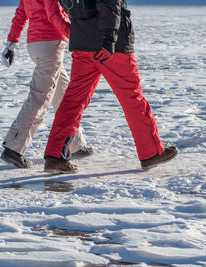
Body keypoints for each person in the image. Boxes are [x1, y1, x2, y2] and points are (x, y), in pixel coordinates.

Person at [43, 0, 178, 174]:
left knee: (73, 101)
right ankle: (151, 153)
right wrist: (109, 40)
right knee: (132, 97)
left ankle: (55, 157)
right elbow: (109, 4)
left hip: (83, 44)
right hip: (111, 48)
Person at [0, 0, 93, 168]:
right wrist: (77, 36)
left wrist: (11, 43)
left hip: (36, 45)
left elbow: (21, 13)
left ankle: (75, 144)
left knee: (64, 95)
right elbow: (53, 14)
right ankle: (14, 148)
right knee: (40, 98)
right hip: (50, 43)